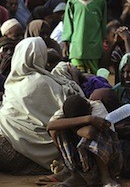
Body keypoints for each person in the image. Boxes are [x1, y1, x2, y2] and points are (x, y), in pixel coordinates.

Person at [0, 38, 84, 175]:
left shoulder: (11, 84)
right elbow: (73, 106)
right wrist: (73, 78)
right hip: (37, 153)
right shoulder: (42, 83)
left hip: (8, 147)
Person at [46, 94, 123, 187]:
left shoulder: (97, 107)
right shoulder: (66, 109)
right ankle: (76, 175)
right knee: (56, 131)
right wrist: (89, 119)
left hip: (110, 160)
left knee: (95, 135)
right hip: (84, 162)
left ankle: (106, 177)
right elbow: (50, 126)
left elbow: (89, 133)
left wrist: (70, 125)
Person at [61, 0, 107, 74]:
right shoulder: (72, 2)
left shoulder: (100, 1)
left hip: (94, 50)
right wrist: (65, 44)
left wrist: (104, 42)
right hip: (77, 50)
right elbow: (68, 25)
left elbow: (103, 24)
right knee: (77, 77)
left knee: (94, 78)